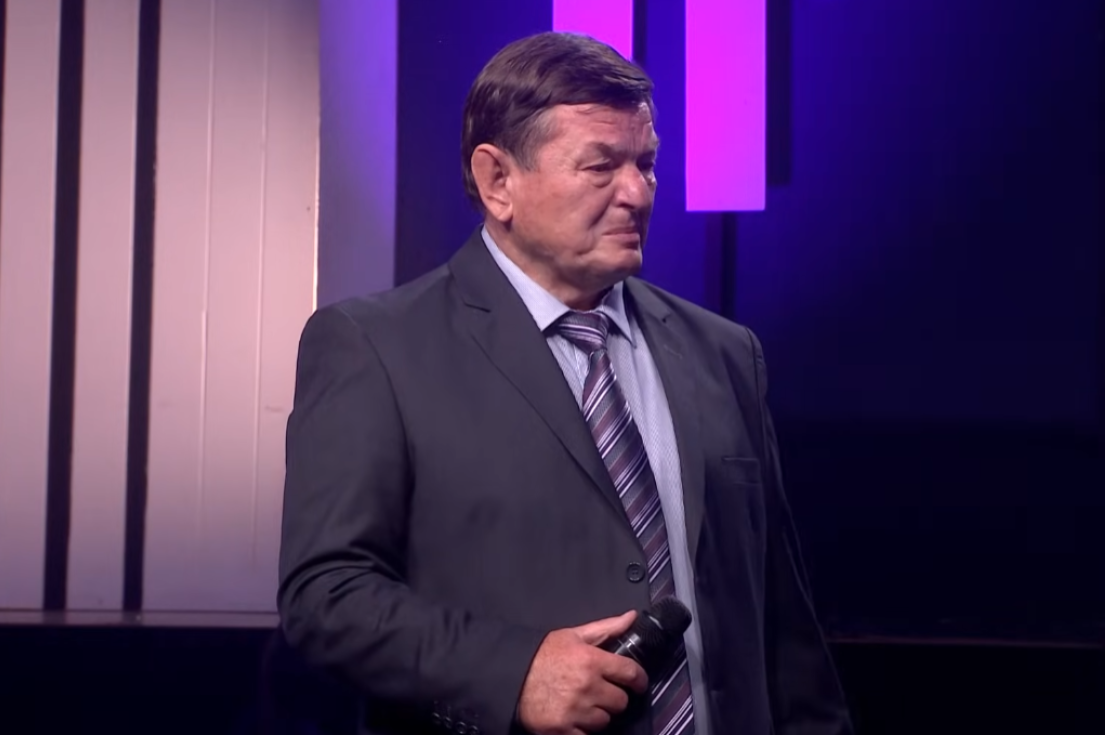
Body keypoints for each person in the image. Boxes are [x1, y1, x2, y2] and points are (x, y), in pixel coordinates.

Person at [277, 31, 853, 735]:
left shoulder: (727, 353)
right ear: (498, 181)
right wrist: (513, 672)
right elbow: (327, 596)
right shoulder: (376, 348)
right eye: (601, 165)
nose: (637, 193)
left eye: (646, 163)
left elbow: (784, 629)